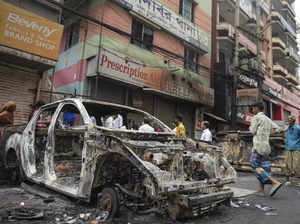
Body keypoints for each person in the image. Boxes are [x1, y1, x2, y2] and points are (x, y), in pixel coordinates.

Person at [249, 102, 282, 196]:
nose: (252, 110)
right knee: (263, 168)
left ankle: (274, 182)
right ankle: (261, 190)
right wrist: (267, 133)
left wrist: (251, 128)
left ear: (256, 108)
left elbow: (252, 131)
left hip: (258, 145)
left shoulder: (256, 117)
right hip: (266, 146)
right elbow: (279, 129)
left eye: (253, 108)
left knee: (254, 164)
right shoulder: (267, 119)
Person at [285, 115, 300, 182]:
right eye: (288, 119)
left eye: (290, 119)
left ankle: (299, 178)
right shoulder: (288, 128)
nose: (288, 121)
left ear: (293, 121)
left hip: (296, 148)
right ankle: (287, 179)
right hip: (288, 147)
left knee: (296, 164)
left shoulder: (298, 128)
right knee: (287, 163)